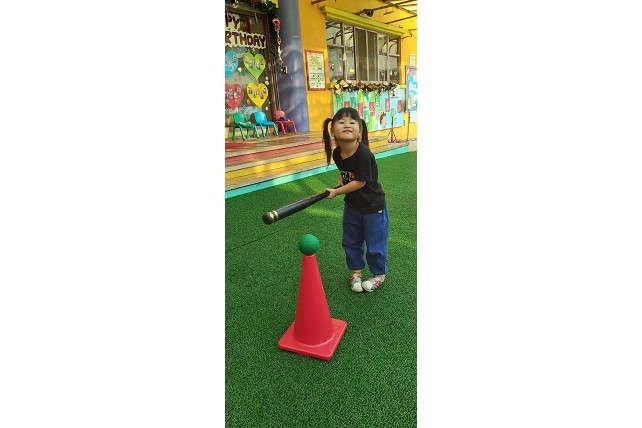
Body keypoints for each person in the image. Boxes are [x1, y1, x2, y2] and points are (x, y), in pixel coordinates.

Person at [322, 107, 388, 293]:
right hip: (352, 207)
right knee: (351, 241)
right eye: (341, 122)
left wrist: (337, 192)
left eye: (352, 122)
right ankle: (356, 273)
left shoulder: (363, 154)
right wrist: (339, 182)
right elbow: (344, 171)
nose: (347, 125)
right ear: (333, 130)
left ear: (359, 131)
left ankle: (378, 275)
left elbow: (360, 182)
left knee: (375, 245)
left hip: (373, 207)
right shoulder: (337, 153)